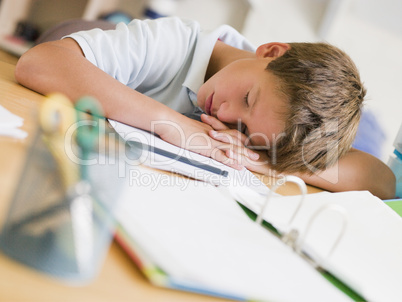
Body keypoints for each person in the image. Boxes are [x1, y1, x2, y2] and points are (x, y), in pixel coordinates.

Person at [15, 17, 395, 199]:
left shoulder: (268, 124)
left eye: (245, 129)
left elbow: (381, 179)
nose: (227, 117)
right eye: (248, 98)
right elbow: (38, 64)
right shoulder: (177, 42)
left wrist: (256, 158)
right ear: (271, 53)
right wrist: (170, 122)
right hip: (73, 47)